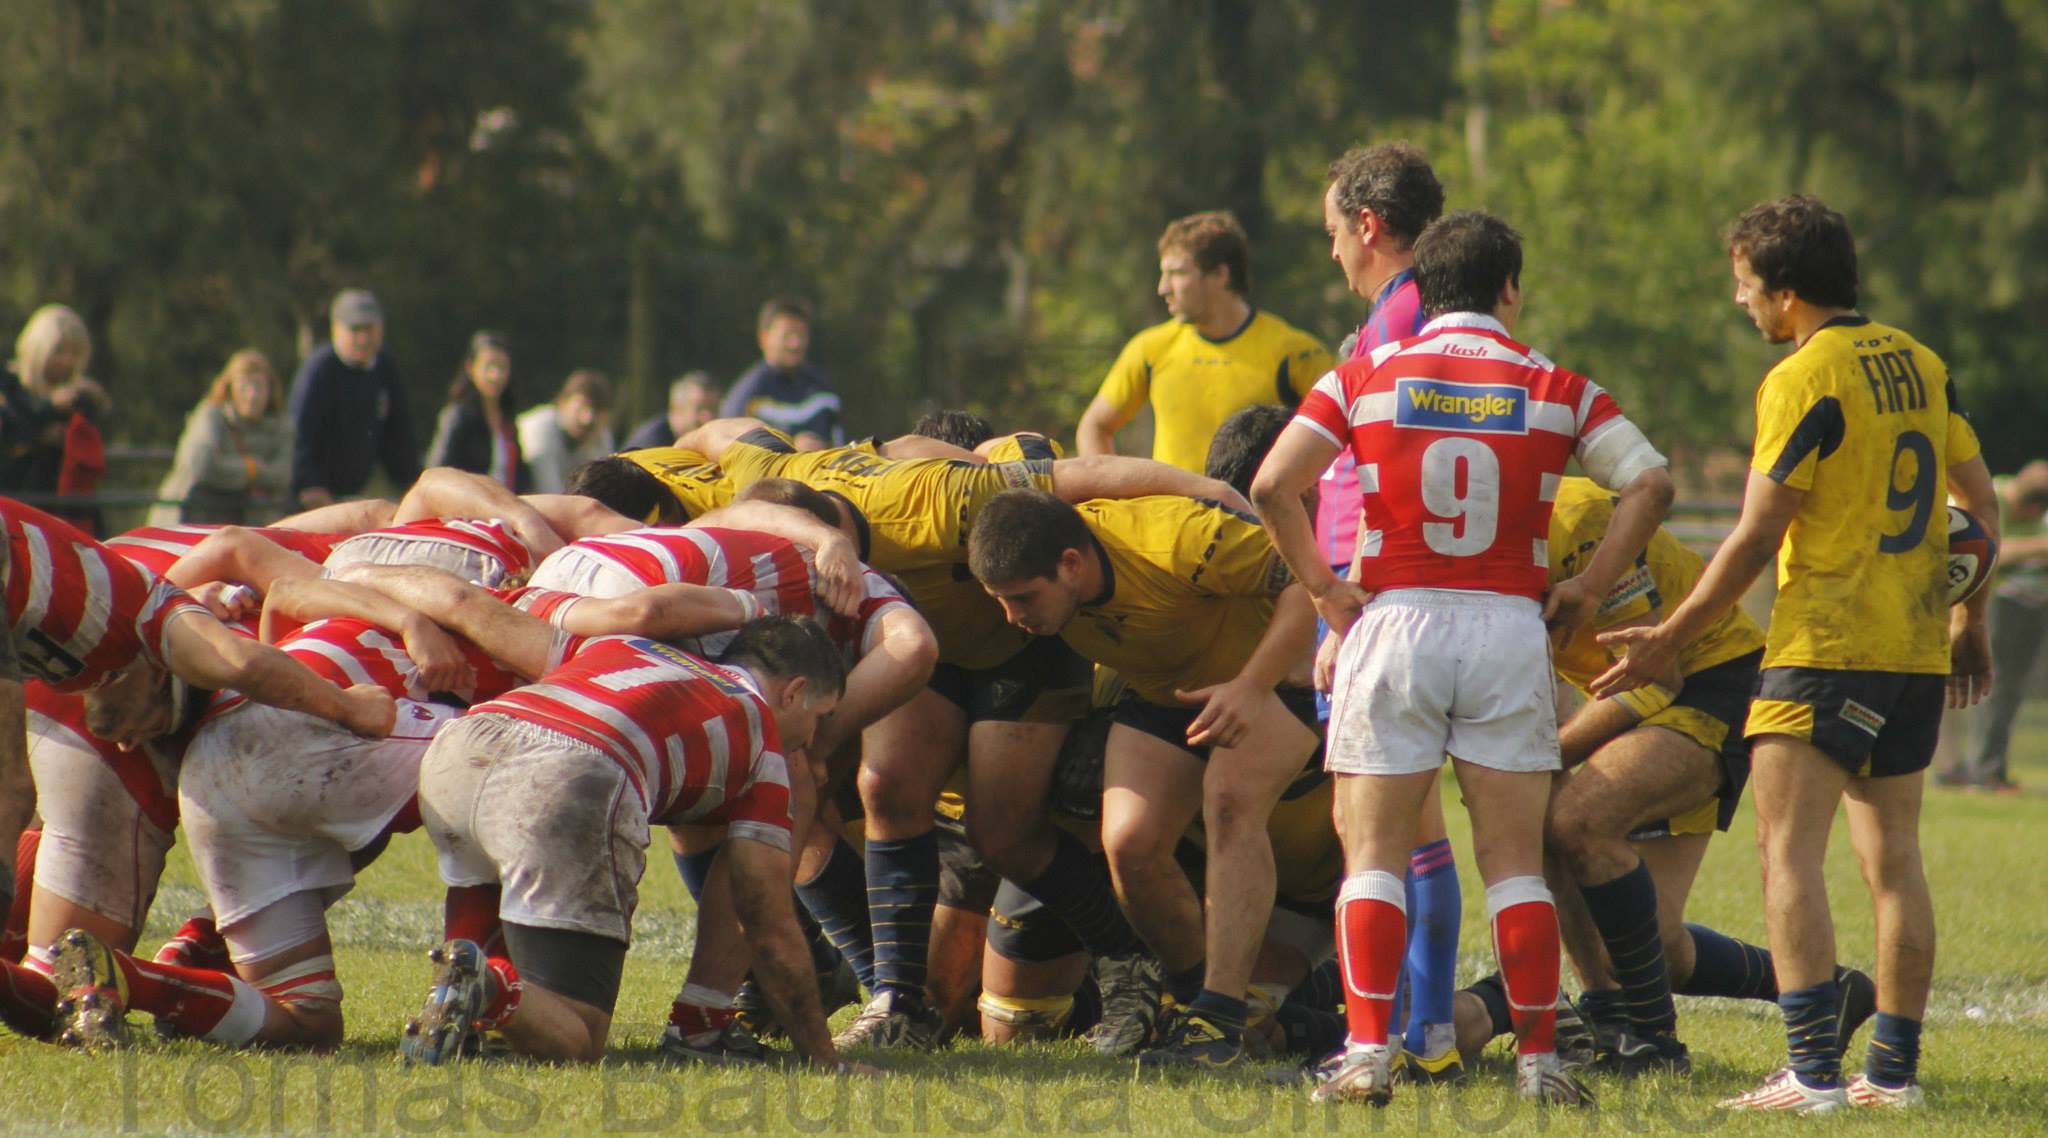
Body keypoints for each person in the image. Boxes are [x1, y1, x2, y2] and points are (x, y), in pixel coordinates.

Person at [1252, 210, 1672, 1108]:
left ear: (1423, 286)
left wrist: (1324, 590)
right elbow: (1652, 482)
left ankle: (1367, 1057)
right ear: (1508, 288)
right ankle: (1539, 1064)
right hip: (1507, 627)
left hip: (1393, 622)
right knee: (1514, 863)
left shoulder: (1362, 374)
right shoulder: (1557, 385)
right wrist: (1590, 585)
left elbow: (1272, 484)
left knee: (1373, 855)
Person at [1594, 196, 1996, 1113]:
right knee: (1896, 860)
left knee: (1788, 852)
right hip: (1912, 651)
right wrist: (1968, 621)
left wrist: (1669, 637)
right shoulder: (1923, 363)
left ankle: (1813, 1074)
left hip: (1825, 646)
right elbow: (1981, 505)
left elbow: (1753, 535)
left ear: (1785, 293)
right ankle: (1891, 1077)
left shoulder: (1802, 376)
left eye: (1745, 286)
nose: (1740, 302)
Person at [967, 475, 1318, 1073]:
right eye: (1000, 600)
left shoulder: (1177, 540)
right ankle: (1192, 1004)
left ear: (1071, 564)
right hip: (1168, 694)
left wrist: (1251, 686)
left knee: (1229, 801)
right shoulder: (1040, 567)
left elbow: (1310, 584)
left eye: (1023, 598)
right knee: (1129, 842)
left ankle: (1221, 1019)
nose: (1012, 616)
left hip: (1279, 680)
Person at [398, 616, 852, 1068]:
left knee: (482, 903)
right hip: (571, 769)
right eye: (819, 717)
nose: (811, 738)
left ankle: (465, 1002)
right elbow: (765, 915)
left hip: (463, 746)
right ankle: (490, 990)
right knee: (580, 1039)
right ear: (793, 692)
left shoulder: (626, 645)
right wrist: (823, 1057)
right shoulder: (763, 737)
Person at [1314, 141, 1469, 1082]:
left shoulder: (1402, 319)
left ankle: (1393, 1036)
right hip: (1384, 594)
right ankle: (1425, 1037)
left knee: (1376, 827)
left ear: (1369, 226)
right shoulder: (1406, 312)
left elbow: (1390, 470)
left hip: (1371, 595)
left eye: (1334, 232)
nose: (1331, 251)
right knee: (1409, 826)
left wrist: (1349, 608)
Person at [1076, 211, 1333, 473]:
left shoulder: (1295, 352)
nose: (1163, 288)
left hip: (1250, 502)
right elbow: (1095, 427)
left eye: (1176, 273)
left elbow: (1340, 434)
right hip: (1169, 503)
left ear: (1221, 274)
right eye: (1163, 274)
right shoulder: (1150, 348)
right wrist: (1111, 491)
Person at [1937, 460, 2048, 791]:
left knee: (2001, 689)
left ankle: (1974, 767)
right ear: (2032, 508)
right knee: (1985, 686)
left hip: (2021, 606)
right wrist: (2039, 547)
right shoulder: (1983, 496)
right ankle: (1973, 769)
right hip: (1979, 607)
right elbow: (1976, 550)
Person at [288, 289, 420, 508]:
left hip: (360, 489)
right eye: (355, 330)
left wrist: (411, 483)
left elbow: (399, 432)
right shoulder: (319, 370)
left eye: (370, 329)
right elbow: (299, 434)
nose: (363, 339)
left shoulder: (385, 366)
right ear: (336, 329)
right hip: (319, 495)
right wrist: (308, 484)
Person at [151, 349, 294, 526]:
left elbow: (283, 475)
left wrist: (228, 470)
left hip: (246, 521)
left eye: (259, 386)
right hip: (192, 514)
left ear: (270, 390)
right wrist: (251, 469)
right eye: (244, 386)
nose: (252, 395)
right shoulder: (209, 415)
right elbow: (201, 465)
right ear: (230, 388)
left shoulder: (282, 426)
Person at [3, 305, 111, 533]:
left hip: (66, 512)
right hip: (15, 508)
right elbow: (12, 433)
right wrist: (49, 409)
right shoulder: (9, 387)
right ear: (38, 349)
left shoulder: (78, 394)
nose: (67, 361)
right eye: (59, 351)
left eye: (74, 353)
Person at [720, 298, 843, 450]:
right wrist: (793, 451)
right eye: (787, 335)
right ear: (763, 337)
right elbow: (731, 452)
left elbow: (840, 444)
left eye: (801, 334)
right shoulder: (748, 394)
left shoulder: (821, 388)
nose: (795, 343)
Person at [424, 331, 523, 490]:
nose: (495, 376)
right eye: (489, 366)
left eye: (502, 367)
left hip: (505, 502)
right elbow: (436, 472)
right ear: (471, 368)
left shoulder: (508, 420)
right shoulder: (458, 416)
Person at [518, 369, 616, 493]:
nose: (588, 419)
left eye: (598, 410)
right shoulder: (538, 427)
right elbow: (549, 491)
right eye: (582, 407)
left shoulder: (601, 437)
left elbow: (604, 492)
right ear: (563, 403)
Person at [623, 372, 719, 451]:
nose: (708, 417)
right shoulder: (650, 445)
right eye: (699, 409)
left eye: (713, 409)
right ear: (677, 409)